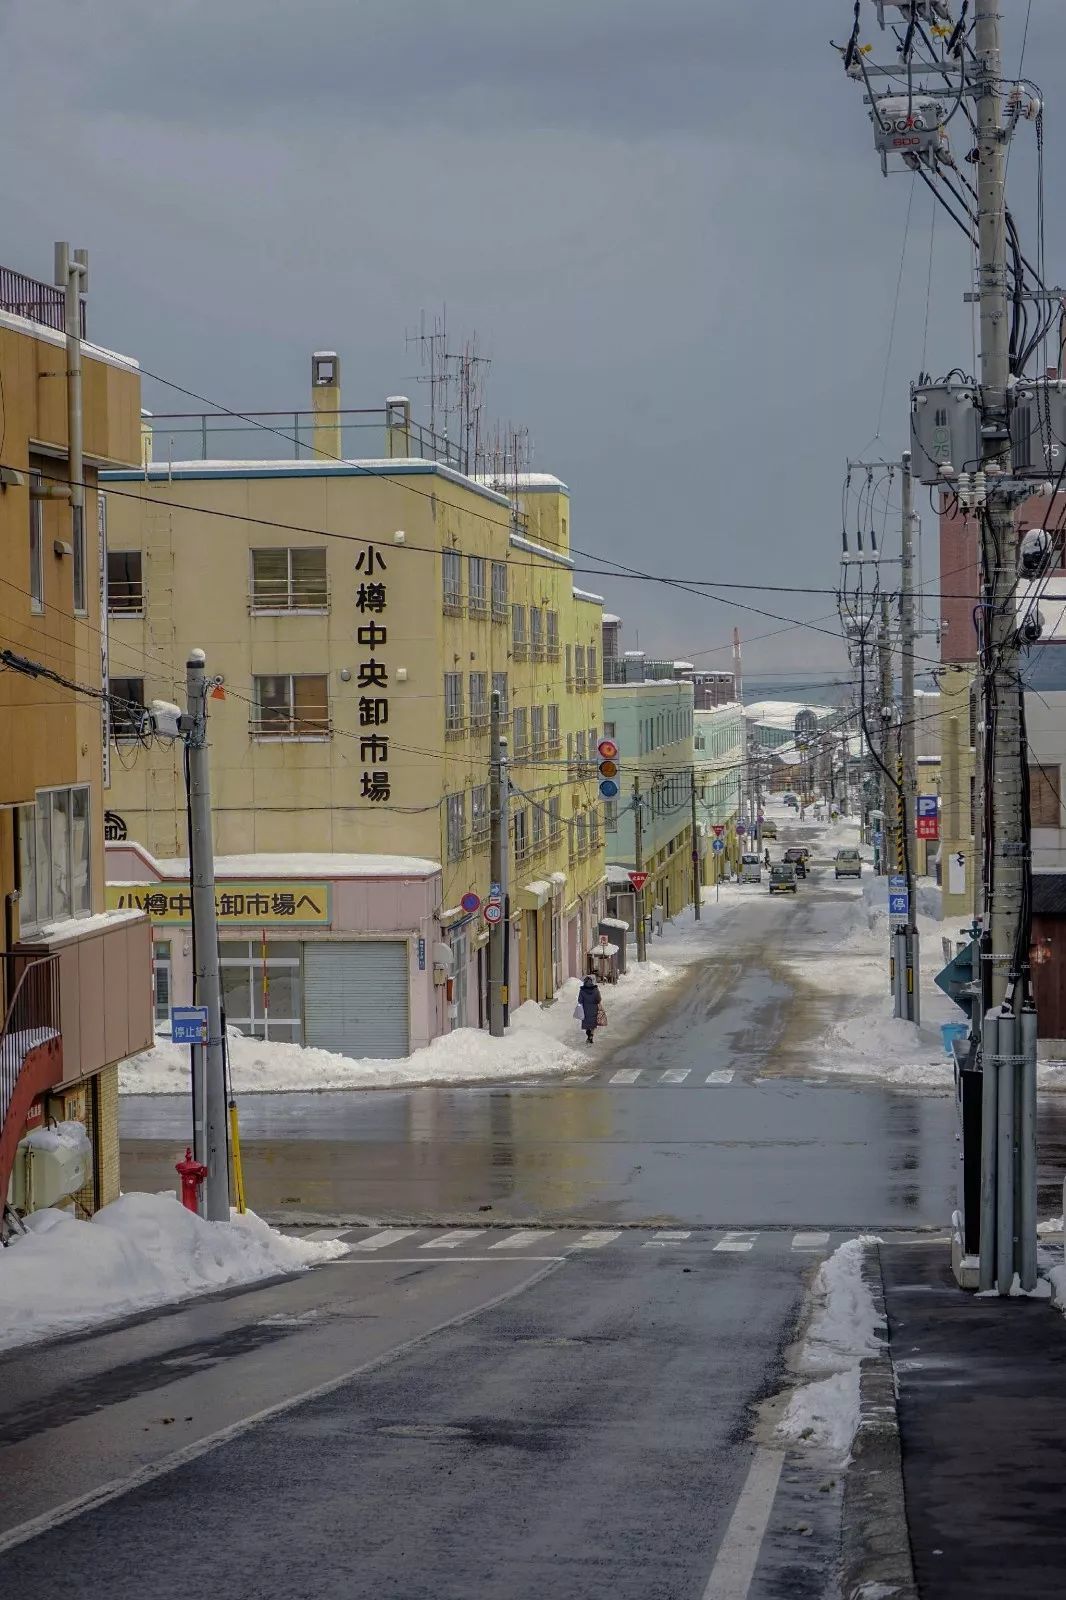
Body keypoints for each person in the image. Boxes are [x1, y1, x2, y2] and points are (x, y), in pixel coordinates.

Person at [578, 973, 602, 1044]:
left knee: (586, 1022)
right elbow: (598, 999)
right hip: (594, 1008)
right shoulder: (595, 989)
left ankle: (588, 1033)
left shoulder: (582, 990)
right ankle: (591, 1035)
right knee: (593, 1023)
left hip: (585, 1008)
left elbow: (580, 1000)